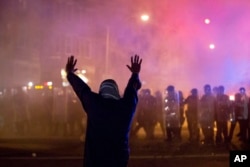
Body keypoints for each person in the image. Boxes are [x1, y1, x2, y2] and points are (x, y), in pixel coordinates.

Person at [66, 55, 142, 167]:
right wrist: (135, 74)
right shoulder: (125, 108)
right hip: (118, 160)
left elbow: (82, 90)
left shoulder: (95, 105)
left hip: (95, 160)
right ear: (116, 91)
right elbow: (131, 91)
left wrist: (70, 74)